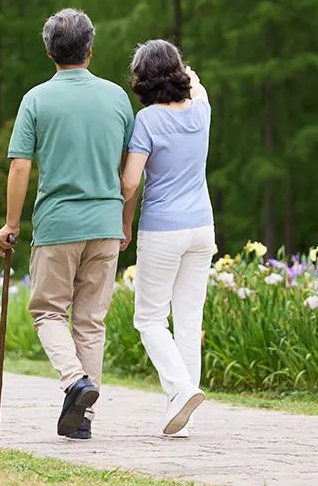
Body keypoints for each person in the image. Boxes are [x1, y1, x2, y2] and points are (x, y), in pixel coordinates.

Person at [0, 8, 134, 440]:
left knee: (47, 311)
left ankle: (75, 382)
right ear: (90, 50)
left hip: (59, 223)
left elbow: (20, 167)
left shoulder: (36, 99)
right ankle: (82, 421)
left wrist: (11, 223)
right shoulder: (117, 98)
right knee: (91, 321)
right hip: (107, 222)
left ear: (49, 50)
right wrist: (125, 222)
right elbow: (133, 172)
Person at [120, 38, 215, 439]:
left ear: (143, 80)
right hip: (202, 227)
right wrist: (179, 67)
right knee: (189, 321)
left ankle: (183, 389)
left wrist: (123, 221)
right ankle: (180, 413)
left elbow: (129, 182)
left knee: (149, 319)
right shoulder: (202, 110)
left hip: (163, 228)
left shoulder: (148, 122)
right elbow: (194, 79)